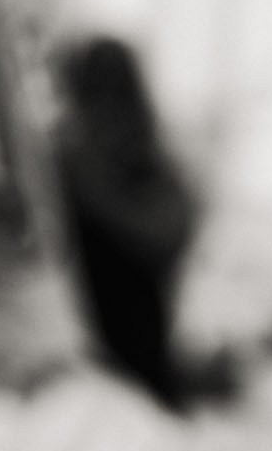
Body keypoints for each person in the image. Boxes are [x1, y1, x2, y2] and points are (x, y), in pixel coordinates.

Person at [49, 34, 199, 408]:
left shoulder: (145, 171)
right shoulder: (65, 170)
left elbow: (165, 237)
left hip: (141, 380)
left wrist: (92, 185)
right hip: (92, 380)